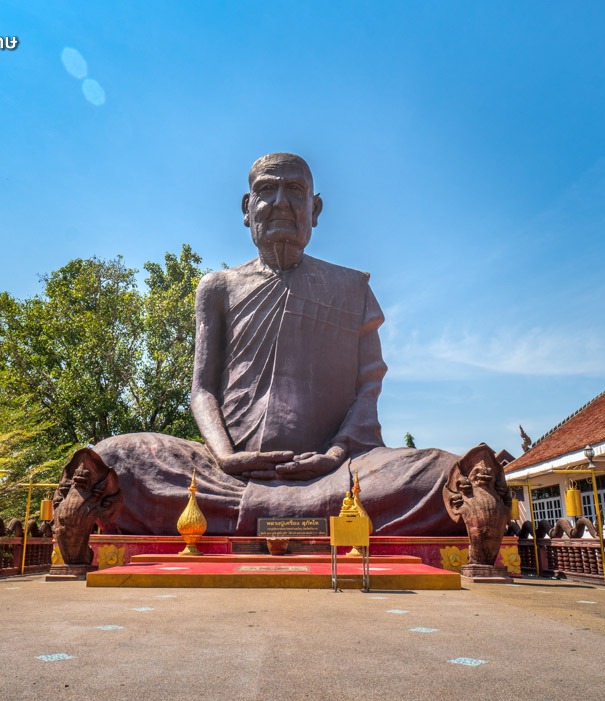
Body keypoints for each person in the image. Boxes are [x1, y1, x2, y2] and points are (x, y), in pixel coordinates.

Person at [71, 153, 460, 536]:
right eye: (267, 190)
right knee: (114, 458)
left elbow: (368, 388)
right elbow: (203, 390)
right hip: (226, 476)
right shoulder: (219, 287)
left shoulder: (352, 288)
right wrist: (226, 456)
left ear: (315, 209)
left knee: (442, 472)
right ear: (247, 207)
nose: (280, 202)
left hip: (334, 473)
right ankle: (305, 513)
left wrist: (336, 453)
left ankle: (250, 514)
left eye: (294, 190)